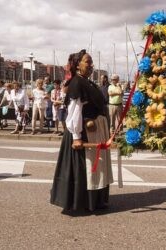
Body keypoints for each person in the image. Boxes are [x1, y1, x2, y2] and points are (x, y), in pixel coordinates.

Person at [50, 49, 113, 213]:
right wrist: (76, 136)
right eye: (88, 62)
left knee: (96, 167)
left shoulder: (86, 81)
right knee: (88, 167)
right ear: (77, 65)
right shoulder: (77, 82)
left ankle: (96, 201)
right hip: (83, 132)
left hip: (94, 130)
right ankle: (83, 202)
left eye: (91, 62)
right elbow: (74, 111)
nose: (91, 65)